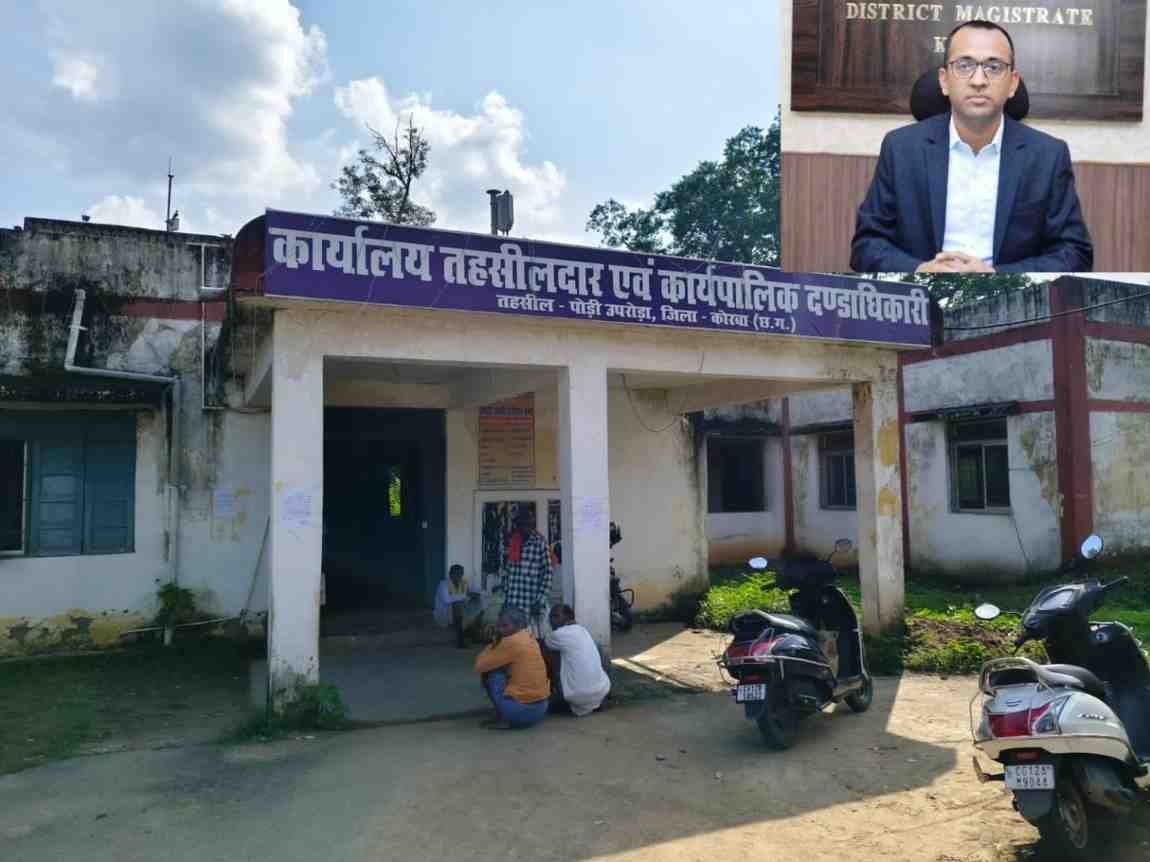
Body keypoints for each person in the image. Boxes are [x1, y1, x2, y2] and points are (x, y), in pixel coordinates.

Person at [850, 19, 1092, 274]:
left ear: (1012, 83)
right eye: (964, 65)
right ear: (944, 80)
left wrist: (997, 278)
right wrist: (920, 270)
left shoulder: (1047, 156)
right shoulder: (901, 149)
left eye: (993, 67)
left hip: (1005, 295)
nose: (978, 80)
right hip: (922, 292)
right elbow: (866, 245)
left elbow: (1074, 253)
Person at [473, 606, 550, 729]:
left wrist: (491, 643)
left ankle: (503, 717)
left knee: (492, 673)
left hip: (519, 712)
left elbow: (479, 666)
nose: (500, 630)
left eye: (505, 626)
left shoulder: (511, 641)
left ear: (518, 625)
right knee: (505, 668)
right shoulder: (530, 637)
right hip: (541, 709)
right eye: (498, 626)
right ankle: (506, 713)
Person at [543, 604, 611, 717]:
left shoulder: (558, 635)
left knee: (549, 652)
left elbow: (545, 644)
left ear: (568, 617)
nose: (551, 620)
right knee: (596, 647)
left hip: (577, 695)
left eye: (555, 616)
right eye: (550, 617)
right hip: (601, 690)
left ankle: (557, 696)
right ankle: (594, 702)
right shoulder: (583, 630)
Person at [499, 508, 552, 637]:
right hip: (513, 600)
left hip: (532, 602)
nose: (524, 528)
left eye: (528, 524)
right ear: (517, 526)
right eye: (521, 524)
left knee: (535, 638)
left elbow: (547, 573)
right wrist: (505, 595)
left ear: (532, 525)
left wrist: (540, 600)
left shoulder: (540, 543)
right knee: (513, 637)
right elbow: (507, 571)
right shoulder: (513, 542)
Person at [433, 563, 477, 648]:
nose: (459, 576)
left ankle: (473, 632)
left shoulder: (463, 583)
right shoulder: (443, 584)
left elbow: (469, 594)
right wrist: (465, 595)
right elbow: (446, 600)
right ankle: (460, 640)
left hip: (459, 614)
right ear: (450, 574)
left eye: (461, 574)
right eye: (457, 574)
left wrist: (474, 595)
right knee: (457, 604)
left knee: (477, 600)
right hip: (443, 615)